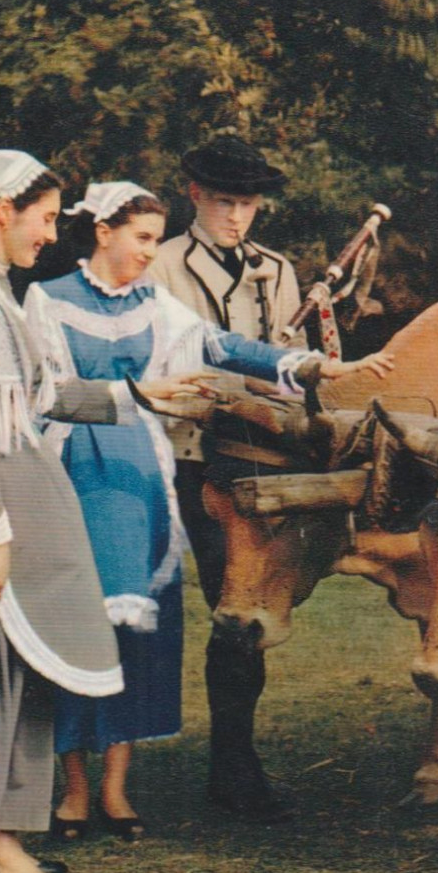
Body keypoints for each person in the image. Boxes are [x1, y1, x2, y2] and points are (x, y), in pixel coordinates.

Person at [27, 180, 393, 839]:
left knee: (138, 633)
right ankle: (72, 790)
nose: (148, 252)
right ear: (102, 232)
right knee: (74, 626)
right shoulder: (46, 301)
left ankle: (115, 790)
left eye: (152, 239)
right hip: (72, 473)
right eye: (140, 238)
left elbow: (225, 346)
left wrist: (312, 366)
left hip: (140, 472)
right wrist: (138, 390)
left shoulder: (154, 304)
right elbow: (46, 391)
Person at [0, 149, 160, 873]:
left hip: (17, 531)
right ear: (3, 211)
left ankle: (2, 831)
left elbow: (43, 391)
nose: (51, 233)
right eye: (43, 217)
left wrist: (143, 396)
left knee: (17, 681)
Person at [147, 135, 309, 821]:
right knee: (176, 605)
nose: (236, 217)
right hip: (180, 458)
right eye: (222, 202)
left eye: (247, 204)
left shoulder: (278, 269)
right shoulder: (159, 266)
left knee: (244, 606)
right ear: (193, 195)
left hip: (257, 463)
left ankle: (234, 761)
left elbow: (298, 363)